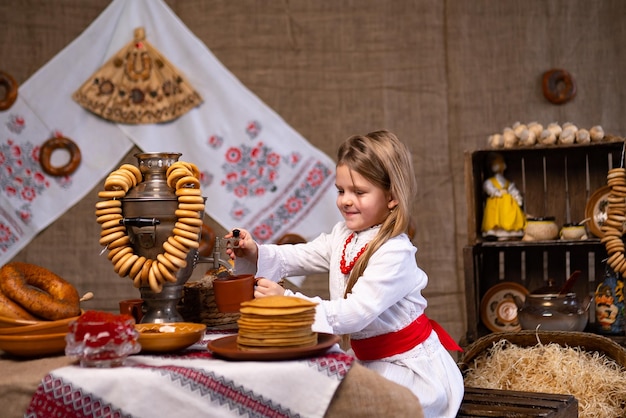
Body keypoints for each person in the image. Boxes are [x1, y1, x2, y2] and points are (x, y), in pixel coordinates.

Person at [226, 130, 464, 417]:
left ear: (391, 197)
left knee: (375, 409)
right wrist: (255, 252)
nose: (345, 201)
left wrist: (288, 303)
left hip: (407, 368)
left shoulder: (394, 252)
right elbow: (301, 255)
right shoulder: (343, 235)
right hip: (369, 361)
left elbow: (355, 313)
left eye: (359, 192)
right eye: (341, 190)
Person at [481, 152, 526, 239]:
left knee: (509, 214)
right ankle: (496, 230)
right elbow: (487, 186)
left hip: (507, 203)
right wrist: (495, 192)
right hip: (497, 202)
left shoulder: (507, 182)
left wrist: (517, 197)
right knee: (495, 216)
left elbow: (512, 189)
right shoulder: (491, 181)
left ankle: (510, 230)